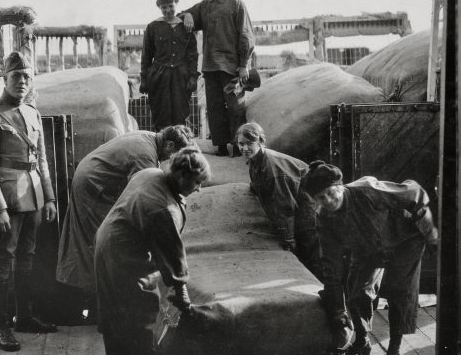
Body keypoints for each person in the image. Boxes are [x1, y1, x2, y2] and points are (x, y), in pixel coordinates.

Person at [56, 125, 195, 318]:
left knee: (96, 244)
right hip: (95, 188)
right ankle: (96, 307)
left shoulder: (150, 138)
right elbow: (144, 196)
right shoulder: (145, 155)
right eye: (174, 154)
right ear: (170, 144)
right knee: (97, 245)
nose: (170, 160)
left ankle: (97, 305)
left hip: (95, 182)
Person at [301, 161, 438, 355]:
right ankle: (362, 342)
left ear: (341, 186)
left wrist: (431, 234)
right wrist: (338, 311)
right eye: (321, 198)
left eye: (331, 193)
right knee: (357, 294)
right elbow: (331, 263)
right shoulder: (324, 217)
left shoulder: (367, 189)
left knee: (400, 294)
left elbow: (414, 193)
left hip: (404, 242)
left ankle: (394, 347)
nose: (329, 201)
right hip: (366, 250)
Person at [0, 51, 58, 352]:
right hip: (7, 202)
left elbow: (42, 160)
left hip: (33, 195)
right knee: (3, 261)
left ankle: (24, 317)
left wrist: (48, 197)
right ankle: (1, 326)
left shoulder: (33, 113)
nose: (21, 82)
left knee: (27, 259)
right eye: (15, 77)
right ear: (4, 79)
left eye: (26, 77)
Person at [94, 147, 211, 355]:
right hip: (125, 256)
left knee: (115, 315)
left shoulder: (151, 173)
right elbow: (171, 253)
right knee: (141, 313)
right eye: (197, 182)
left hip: (106, 243)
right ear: (182, 175)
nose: (200, 189)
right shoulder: (162, 209)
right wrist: (181, 290)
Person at [181, 0, 255, 157]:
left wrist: (243, 65)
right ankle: (221, 145)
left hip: (231, 65)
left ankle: (238, 145)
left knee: (234, 106)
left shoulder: (236, 3)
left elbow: (246, 35)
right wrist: (188, 15)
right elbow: (181, 16)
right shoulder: (205, 6)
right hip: (211, 66)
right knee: (214, 107)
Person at [236, 122, 322, 279]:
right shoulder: (255, 160)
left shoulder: (272, 168)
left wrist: (288, 239)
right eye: (241, 144)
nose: (244, 148)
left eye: (250, 143)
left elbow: (285, 207)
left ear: (261, 142)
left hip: (310, 208)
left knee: (311, 256)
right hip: (296, 204)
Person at [140, 0, 199, 131]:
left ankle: (180, 148)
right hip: (159, 77)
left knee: (180, 114)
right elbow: (146, 56)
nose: (167, 10)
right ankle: (163, 148)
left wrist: (192, 77)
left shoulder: (186, 26)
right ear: (159, 8)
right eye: (163, 7)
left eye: (171, 6)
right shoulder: (153, 27)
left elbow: (192, 55)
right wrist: (144, 79)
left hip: (180, 77)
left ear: (176, 4)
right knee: (161, 114)